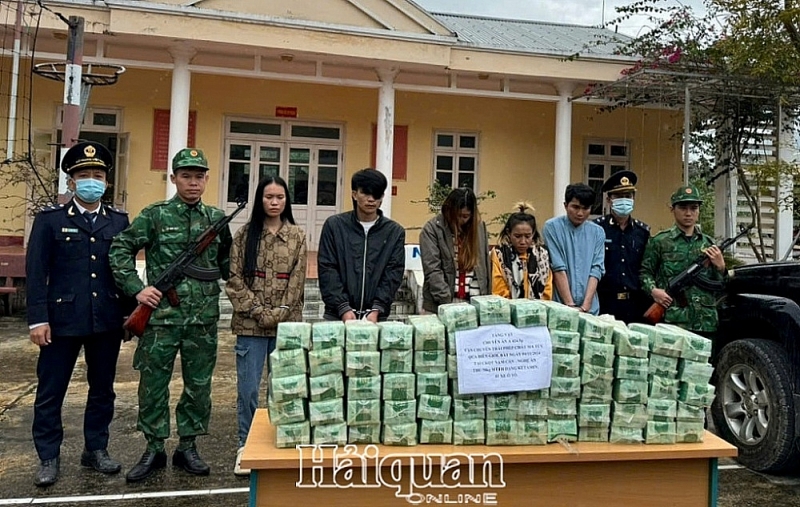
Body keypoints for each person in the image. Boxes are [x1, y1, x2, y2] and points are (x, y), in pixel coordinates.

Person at [109, 148, 232, 482]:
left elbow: (226, 266)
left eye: (199, 176)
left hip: (202, 320)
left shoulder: (216, 219)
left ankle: (188, 446)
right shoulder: (156, 215)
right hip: (161, 319)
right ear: (174, 178)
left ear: (206, 179)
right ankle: (153, 448)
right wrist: (137, 289)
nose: (193, 183)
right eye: (186, 176)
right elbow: (120, 249)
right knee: (153, 386)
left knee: (198, 386)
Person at [25, 141, 131, 487]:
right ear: (71, 181)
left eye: (97, 174)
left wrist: (130, 315)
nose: (91, 180)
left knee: (102, 390)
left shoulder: (119, 222)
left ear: (106, 181)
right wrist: (37, 319)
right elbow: (36, 272)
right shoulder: (50, 221)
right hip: (61, 322)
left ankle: (96, 449)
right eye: (83, 174)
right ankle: (48, 456)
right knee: (51, 391)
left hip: (105, 319)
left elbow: (123, 270)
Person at [225, 176, 306, 476]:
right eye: (269, 197)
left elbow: (298, 281)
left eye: (280, 197)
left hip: (286, 327)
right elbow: (234, 280)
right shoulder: (245, 235)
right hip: (250, 326)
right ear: (260, 200)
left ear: (287, 201)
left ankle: (280, 442)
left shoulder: (297, 235)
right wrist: (259, 311)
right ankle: (245, 446)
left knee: (283, 388)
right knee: (248, 390)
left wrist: (281, 311)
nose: (274, 202)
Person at [318, 168, 405, 322]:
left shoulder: (394, 232)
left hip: (376, 318)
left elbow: (393, 273)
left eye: (376, 194)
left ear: (383, 197)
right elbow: (327, 268)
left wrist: (377, 308)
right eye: (365, 193)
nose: (371, 199)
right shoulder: (334, 226)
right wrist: (343, 308)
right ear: (354, 194)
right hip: (337, 316)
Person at [640, 184, 726, 334]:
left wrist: (721, 268)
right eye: (683, 208)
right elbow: (645, 273)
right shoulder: (660, 241)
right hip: (674, 321)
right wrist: (654, 291)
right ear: (673, 209)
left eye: (693, 208)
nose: (688, 213)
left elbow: (720, 286)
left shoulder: (709, 244)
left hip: (704, 322)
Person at [420, 187, 491, 313]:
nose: (461, 220)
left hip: (476, 303)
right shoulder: (432, 229)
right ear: (448, 211)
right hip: (441, 305)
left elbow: (485, 265)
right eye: (457, 216)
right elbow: (432, 270)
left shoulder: (480, 227)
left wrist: (486, 300)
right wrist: (447, 302)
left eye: (466, 216)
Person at [593, 171, 651, 322]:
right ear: (608, 199)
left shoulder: (642, 232)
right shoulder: (597, 229)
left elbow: (647, 268)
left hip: (635, 305)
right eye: (618, 196)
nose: (624, 200)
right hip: (605, 303)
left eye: (628, 196)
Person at [542, 183, 605, 314]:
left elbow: (596, 269)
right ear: (565, 205)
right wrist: (570, 306)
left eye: (585, 208)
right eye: (575, 207)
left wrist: (585, 306)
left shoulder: (598, 232)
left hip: (590, 308)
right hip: (560, 306)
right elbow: (558, 267)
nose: (580, 213)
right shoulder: (552, 227)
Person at [491, 202, 553, 300]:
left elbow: (547, 289)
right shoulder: (499, 254)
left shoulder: (542, 255)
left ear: (533, 234)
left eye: (528, 236)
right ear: (508, 233)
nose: (523, 242)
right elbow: (498, 289)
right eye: (517, 236)